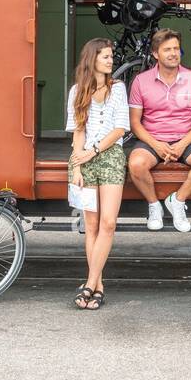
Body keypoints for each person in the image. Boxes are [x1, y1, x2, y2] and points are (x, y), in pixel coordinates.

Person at [127, 28, 191, 232]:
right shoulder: (140, 81)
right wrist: (156, 145)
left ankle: (177, 201)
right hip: (152, 139)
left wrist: (182, 144)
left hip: (185, 138)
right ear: (155, 54)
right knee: (136, 164)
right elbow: (135, 123)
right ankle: (154, 206)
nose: (173, 53)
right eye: (167, 49)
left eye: (176, 49)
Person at [66, 38, 129, 310]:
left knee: (108, 223)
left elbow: (120, 129)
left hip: (111, 157)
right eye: (105, 56)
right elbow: (77, 130)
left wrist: (93, 151)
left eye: (111, 56)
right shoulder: (77, 91)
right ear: (92, 59)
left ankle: (90, 283)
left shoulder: (118, 89)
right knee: (90, 226)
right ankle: (98, 285)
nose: (110, 60)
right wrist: (77, 166)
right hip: (84, 160)